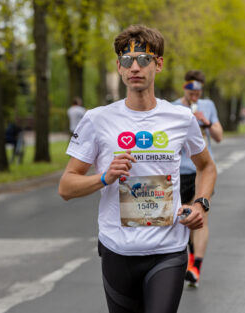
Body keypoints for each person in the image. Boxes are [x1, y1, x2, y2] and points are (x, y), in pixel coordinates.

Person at [58, 25, 217, 313]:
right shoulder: (97, 120)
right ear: (118, 67)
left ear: (158, 64)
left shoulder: (181, 118)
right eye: (127, 59)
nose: (135, 66)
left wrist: (200, 204)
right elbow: (66, 187)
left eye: (144, 59)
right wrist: (104, 177)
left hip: (167, 249)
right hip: (118, 250)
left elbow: (206, 167)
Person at [172, 70, 222, 287]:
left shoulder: (208, 106)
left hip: (200, 171)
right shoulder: (173, 107)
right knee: (181, 220)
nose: (195, 95)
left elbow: (219, 137)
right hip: (177, 172)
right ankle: (189, 258)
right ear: (185, 88)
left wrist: (206, 122)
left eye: (199, 92)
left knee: (199, 217)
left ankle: (196, 267)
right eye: (192, 91)